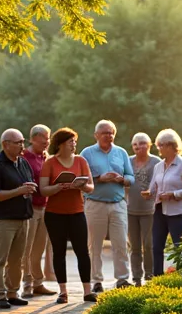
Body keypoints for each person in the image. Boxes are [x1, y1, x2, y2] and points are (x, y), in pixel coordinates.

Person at [39, 128, 97, 304]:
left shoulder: (81, 161)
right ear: (61, 144)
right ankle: (63, 291)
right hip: (54, 214)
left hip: (77, 212)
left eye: (75, 142)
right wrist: (57, 188)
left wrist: (82, 186)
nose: (74, 145)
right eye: (71, 141)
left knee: (82, 252)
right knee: (59, 252)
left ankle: (87, 291)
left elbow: (91, 186)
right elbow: (43, 190)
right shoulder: (49, 163)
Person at [0, 128, 37, 309]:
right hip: (3, 221)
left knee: (17, 260)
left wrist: (29, 189)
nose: (22, 145)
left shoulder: (23, 163)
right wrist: (18, 191)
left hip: (23, 218)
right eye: (18, 142)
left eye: (23, 141)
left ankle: (13, 293)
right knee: (0, 260)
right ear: (5, 144)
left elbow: (26, 184)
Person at [80, 119, 135, 292]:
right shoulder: (87, 153)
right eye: (104, 133)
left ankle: (122, 279)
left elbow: (131, 177)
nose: (108, 136)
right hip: (95, 203)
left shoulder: (121, 153)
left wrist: (122, 179)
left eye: (111, 132)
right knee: (95, 245)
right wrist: (99, 179)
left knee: (120, 243)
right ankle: (96, 280)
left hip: (118, 203)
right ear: (96, 135)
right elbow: (81, 179)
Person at [142, 128, 182, 277]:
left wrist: (174, 194)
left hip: (177, 212)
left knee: (179, 246)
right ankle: (157, 277)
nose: (159, 148)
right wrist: (148, 193)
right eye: (158, 145)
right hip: (160, 210)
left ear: (171, 146)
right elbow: (153, 187)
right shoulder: (158, 166)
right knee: (156, 246)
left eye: (161, 145)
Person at [21, 124, 56, 298]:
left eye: (48, 139)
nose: (47, 143)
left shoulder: (47, 157)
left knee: (39, 248)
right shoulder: (24, 157)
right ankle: (27, 285)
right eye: (44, 140)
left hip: (45, 207)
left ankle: (38, 283)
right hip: (30, 208)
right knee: (26, 249)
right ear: (33, 139)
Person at [127, 132, 161, 287]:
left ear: (149, 145)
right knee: (134, 246)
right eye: (135, 144)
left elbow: (163, 183)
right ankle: (136, 277)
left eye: (141, 143)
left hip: (150, 210)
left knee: (148, 244)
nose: (138, 146)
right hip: (130, 210)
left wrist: (153, 193)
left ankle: (149, 274)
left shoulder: (157, 162)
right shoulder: (127, 161)